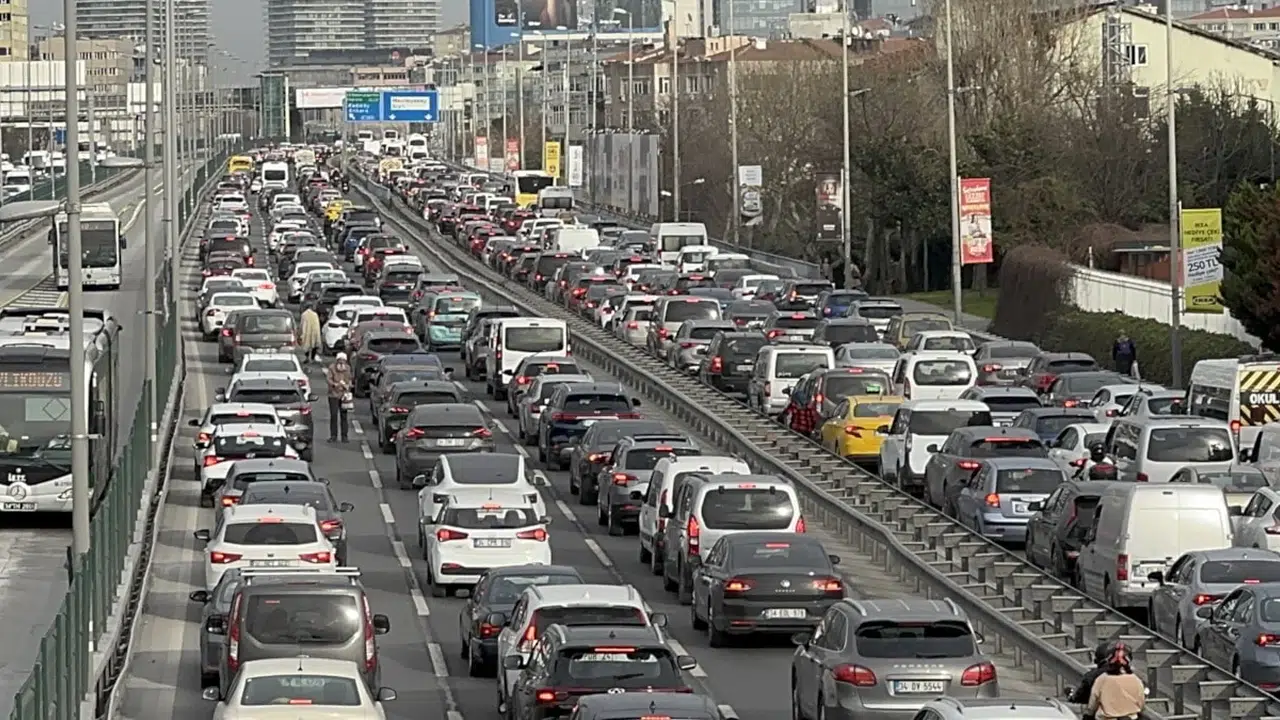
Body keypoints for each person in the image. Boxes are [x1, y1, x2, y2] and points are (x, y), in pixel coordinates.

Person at [1087, 644, 1145, 720]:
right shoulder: (1136, 680)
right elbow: (1141, 703)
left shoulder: (1102, 679)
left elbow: (1092, 704)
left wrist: (1088, 715)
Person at [325, 353, 354, 443]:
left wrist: (348, 385)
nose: (341, 362)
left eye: (343, 360)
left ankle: (344, 436)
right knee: (334, 415)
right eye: (340, 360)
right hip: (333, 394)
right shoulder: (332, 368)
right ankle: (333, 435)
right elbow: (329, 379)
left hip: (344, 395)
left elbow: (349, 379)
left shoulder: (348, 368)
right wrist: (334, 384)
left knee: (344, 416)